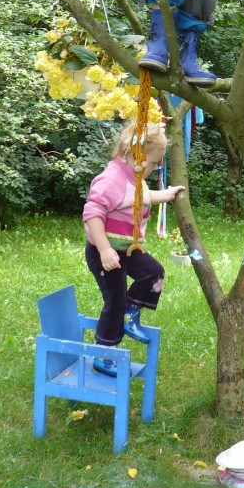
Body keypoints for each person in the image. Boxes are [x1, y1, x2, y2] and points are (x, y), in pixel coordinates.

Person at [83, 120, 184, 376]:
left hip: (128, 249)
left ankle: (131, 314)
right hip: (107, 253)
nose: (154, 168)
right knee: (114, 301)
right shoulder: (111, 179)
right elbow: (93, 213)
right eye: (152, 163)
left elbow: (144, 197)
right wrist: (104, 250)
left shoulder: (133, 177)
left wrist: (169, 194)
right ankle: (103, 356)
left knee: (155, 273)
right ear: (132, 154)